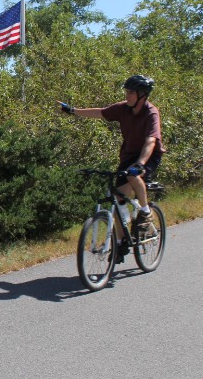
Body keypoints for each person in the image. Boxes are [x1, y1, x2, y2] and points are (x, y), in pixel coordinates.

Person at [58, 74, 165, 259]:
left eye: (131, 92)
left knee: (133, 176)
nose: (127, 95)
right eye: (126, 91)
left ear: (142, 94)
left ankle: (146, 213)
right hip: (128, 156)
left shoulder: (151, 113)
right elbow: (100, 112)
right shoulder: (123, 108)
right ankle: (120, 242)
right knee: (117, 198)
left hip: (149, 156)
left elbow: (151, 141)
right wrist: (73, 110)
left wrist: (140, 164)